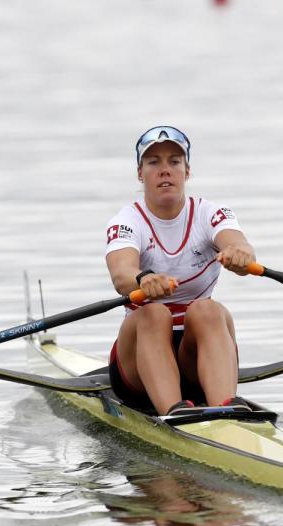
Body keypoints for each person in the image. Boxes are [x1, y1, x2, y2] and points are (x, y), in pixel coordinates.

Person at [104, 126, 256, 416]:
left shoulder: (210, 214)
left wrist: (241, 254)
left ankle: (227, 411)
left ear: (187, 171)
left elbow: (239, 243)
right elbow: (121, 274)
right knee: (153, 312)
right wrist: (142, 279)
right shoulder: (126, 221)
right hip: (138, 364)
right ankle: (174, 412)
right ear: (140, 173)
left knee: (208, 310)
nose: (165, 170)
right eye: (154, 162)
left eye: (174, 161)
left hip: (194, 353)